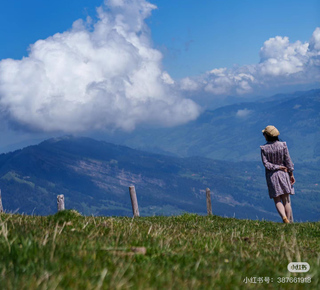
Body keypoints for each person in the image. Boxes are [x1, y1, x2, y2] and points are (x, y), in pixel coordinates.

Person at [260, 125, 295, 223]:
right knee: (286, 200)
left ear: (267, 136)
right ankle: (289, 222)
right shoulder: (283, 145)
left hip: (272, 176)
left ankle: (284, 217)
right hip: (284, 174)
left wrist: (276, 167)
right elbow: (288, 161)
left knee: (277, 199)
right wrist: (291, 174)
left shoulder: (264, 148)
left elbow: (266, 164)